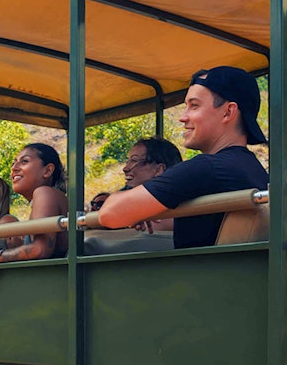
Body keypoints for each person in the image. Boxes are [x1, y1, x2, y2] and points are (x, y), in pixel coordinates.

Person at [98, 66, 269, 248]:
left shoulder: (206, 168)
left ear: (228, 112)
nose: (182, 117)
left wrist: (126, 203)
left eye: (194, 106)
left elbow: (109, 214)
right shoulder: (253, 170)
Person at [0, 144, 69, 283]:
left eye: (24, 161)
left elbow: (41, 249)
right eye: (14, 162)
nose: (14, 168)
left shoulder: (44, 193)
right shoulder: (47, 197)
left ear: (47, 170)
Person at [121, 136, 184, 232]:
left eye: (134, 161)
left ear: (158, 169)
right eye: (127, 161)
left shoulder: (180, 205)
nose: (125, 168)